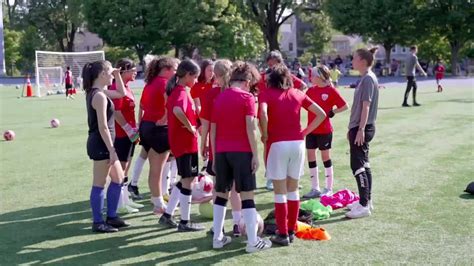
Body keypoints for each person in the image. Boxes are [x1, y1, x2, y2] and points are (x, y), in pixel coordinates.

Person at [259, 64, 326, 246]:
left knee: (279, 191)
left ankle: (282, 234)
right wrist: (305, 132)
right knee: (293, 189)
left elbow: (263, 114)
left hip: (277, 143)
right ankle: (290, 230)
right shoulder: (297, 93)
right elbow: (321, 114)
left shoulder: (266, 93)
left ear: (271, 79)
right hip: (297, 143)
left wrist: (264, 134)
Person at [211, 61, 272, 253]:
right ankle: (253, 242)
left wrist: (213, 155)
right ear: (247, 81)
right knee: (247, 195)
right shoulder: (247, 98)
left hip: (221, 152)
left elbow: (213, 129)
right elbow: (250, 127)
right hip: (241, 152)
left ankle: (217, 238)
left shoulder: (220, 98)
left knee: (221, 195)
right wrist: (255, 154)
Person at [158, 59, 205, 232]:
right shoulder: (181, 92)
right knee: (188, 181)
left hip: (182, 143)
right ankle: (185, 222)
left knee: (186, 179)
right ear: (187, 76)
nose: (196, 81)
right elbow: (178, 111)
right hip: (185, 143)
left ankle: (168, 215)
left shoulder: (179, 90)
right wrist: (190, 126)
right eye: (195, 77)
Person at [83, 60, 129, 233]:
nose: (112, 75)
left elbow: (121, 92)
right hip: (101, 144)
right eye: (109, 73)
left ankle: (112, 216)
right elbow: (103, 126)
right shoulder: (99, 96)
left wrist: (117, 74)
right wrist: (111, 150)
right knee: (100, 183)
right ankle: (97, 222)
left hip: (105, 143)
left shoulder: (101, 92)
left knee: (118, 178)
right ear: (102, 74)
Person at [200, 59, 243, 237]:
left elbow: (206, 123)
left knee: (220, 188)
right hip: (240, 147)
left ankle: (218, 227)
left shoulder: (211, 94)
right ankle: (237, 224)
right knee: (236, 189)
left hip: (219, 147)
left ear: (215, 75)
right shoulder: (240, 93)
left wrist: (203, 144)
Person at [257, 51, 307, 191]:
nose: (272, 66)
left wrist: (291, 97)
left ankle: (288, 178)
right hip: (265, 112)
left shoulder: (285, 76)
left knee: (281, 146)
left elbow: (302, 85)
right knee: (268, 144)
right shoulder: (262, 77)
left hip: (280, 111)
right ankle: (270, 177)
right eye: (270, 63)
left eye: (274, 63)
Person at [138, 56, 179, 214]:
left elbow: (143, 105)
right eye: (175, 70)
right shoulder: (165, 83)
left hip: (146, 126)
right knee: (158, 169)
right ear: (167, 70)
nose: (177, 73)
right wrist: (164, 119)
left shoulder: (150, 83)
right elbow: (170, 104)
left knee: (155, 168)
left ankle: (157, 200)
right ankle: (159, 203)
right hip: (158, 128)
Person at [302, 65, 349, 199]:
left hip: (325, 130)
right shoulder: (310, 91)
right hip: (311, 129)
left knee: (325, 157)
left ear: (319, 77)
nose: (310, 77)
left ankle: (328, 188)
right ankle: (315, 188)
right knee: (310, 156)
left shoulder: (331, 91)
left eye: (312, 75)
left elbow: (345, 106)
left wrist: (333, 111)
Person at [345, 48, 380, 219]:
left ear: (363, 61)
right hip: (361, 127)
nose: (352, 61)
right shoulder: (367, 78)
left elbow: (366, 105)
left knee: (357, 166)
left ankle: (364, 205)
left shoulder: (367, 79)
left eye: (354, 58)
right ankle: (366, 200)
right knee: (364, 164)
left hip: (362, 128)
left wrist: (359, 129)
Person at [109, 58, 143, 214]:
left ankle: (125, 199)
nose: (135, 72)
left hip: (129, 133)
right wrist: (129, 129)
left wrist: (134, 129)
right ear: (123, 70)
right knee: (120, 168)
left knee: (126, 166)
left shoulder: (127, 87)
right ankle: (119, 203)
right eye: (133, 69)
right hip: (121, 133)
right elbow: (116, 113)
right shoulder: (115, 87)